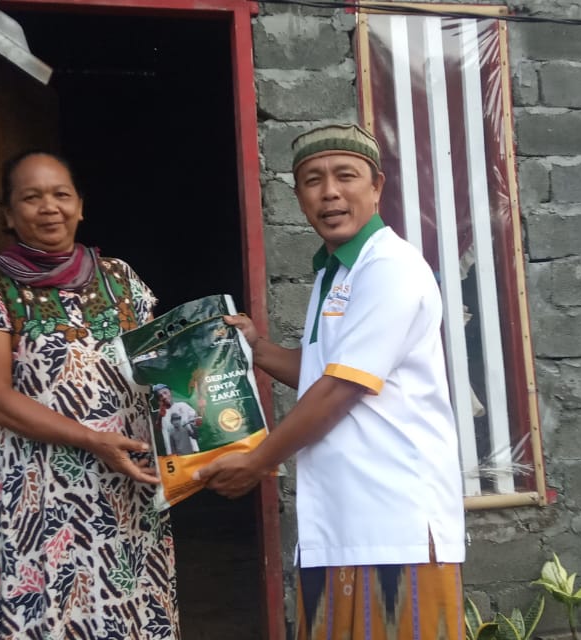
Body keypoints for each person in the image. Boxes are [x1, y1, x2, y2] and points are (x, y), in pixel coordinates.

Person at [196, 124, 466, 639]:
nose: (329, 193)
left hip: (395, 524)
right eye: (312, 180)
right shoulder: (335, 272)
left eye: (346, 176)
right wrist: (257, 349)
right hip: (342, 522)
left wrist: (257, 461)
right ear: (298, 197)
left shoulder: (390, 268)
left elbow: (341, 388)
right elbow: (323, 370)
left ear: (377, 186)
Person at [0, 150, 179, 639]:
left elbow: (160, 367)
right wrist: (91, 439)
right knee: (50, 617)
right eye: (31, 198)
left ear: (80, 206)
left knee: (129, 613)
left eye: (61, 195)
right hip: (42, 492)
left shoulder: (120, 278)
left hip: (126, 489)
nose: (49, 207)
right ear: (9, 214)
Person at [155, 384, 201, 455]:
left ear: (170, 392)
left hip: (192, 450)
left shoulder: (183, 405)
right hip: (174, 454)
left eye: (165, 393)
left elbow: (197, 422)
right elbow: (158, 430)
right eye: (160, 396)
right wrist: (160, 416)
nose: (164, 397)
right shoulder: (160, 413)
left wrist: (196, 421)